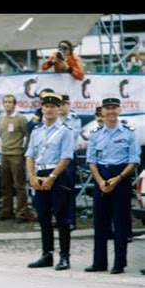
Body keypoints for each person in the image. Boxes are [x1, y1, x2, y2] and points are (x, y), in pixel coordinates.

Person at [84, 97, 141, 275]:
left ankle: (119, 263)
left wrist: (118, 178)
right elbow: (91, 160)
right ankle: (99, 262)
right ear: (102, 112)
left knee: (120, 222)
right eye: (107, 108)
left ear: (119, 110)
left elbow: (134, 160)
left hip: (121, 177)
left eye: (114, 108)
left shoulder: (128, 133)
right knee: (100, 222)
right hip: (101, 176)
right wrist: (100, 181)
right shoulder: (96, 134)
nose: (110, 112)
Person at [25, 93, 75, 270]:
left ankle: (64, 256)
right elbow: (30, 154)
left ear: (59, 108)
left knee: (62, 218)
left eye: (53, 106)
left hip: (58, 175)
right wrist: (31, 175)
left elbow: (66, 157)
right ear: (42, 108)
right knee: (43, 217)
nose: (49, 109)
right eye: (46, 106)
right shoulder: (37, 131)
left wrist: (52, 177)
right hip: (39, 175)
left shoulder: (65, 131)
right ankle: (47, 255)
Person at [0, 94, 30, 222]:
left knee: (19, 185)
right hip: (4, 153)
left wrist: (25, 151)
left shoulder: (20, 118)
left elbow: (28, 135)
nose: (8, 104)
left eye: (10, 102)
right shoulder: (1, 118)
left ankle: (22, 212)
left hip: (17, 154)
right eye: (5, 102)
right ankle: (7, 210)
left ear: (14, 104)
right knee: (5, 184)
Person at [59, 94, 82, 231]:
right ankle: (60, 219)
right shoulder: (53, 119)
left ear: (68, 105)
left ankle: (71, 220)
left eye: (64, 104)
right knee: (57, 189)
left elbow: (71, 136)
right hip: (55, 157)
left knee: (69, 189)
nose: (61, 107)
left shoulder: (74, 119)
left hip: (68, 157)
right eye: (59, 104)